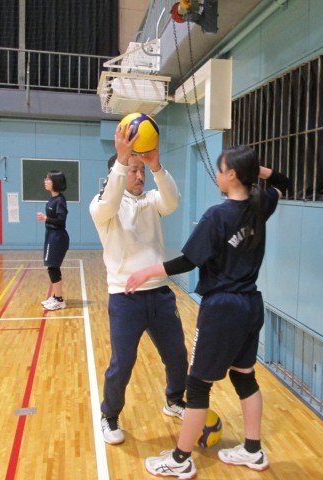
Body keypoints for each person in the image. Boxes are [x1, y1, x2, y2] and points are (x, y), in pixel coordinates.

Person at [125, 145, 290, 479]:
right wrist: (255, 170)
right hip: (251, 304)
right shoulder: (260, 205)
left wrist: (146, 272)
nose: (217, 175)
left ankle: (181, 459)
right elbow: (284, 182)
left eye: (221, 169)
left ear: (232, 175)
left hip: (223, 308)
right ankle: (253, 451)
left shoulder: (218, 215)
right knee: (244, 376)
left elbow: (188, 261)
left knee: (197, 385)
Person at [89, 124, 189, 446]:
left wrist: (156, 166)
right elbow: (108, 201)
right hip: (125, 298)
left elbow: (173, 200)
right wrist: (122, 160)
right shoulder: (102, 207)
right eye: (133, 170)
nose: (139, 175)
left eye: (141, 170)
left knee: (177, 355)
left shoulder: (152, 201)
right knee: (122, 363)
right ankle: (109, 416)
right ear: (116, 174)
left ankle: (174, 400)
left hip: (160, 294)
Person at [36, 170, 70, 311]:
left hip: (57, 236)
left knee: (52, 267)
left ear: (55, 182)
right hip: (50, 234)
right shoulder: (52, 199)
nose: (45, 181)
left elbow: (61, 220)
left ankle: (60, 300)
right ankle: (56, 297)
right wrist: (46, 219)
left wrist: (46, 218)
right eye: (45, 179)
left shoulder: (60, 200)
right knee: (52, 267)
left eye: (48, 179)